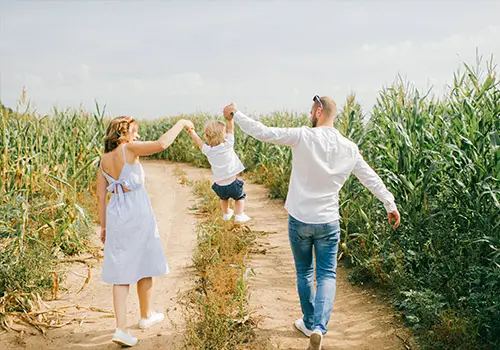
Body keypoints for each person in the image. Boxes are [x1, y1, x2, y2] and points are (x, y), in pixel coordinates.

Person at [223, 97, 400, 350]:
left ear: (319, 111)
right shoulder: (349, 148)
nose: (309, 115)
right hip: (328, 221)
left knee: (304, 272)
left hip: (300, 219)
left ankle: (308, 322)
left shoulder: (302, 136)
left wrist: (235, 115)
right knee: (327, 274)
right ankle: (318, 327)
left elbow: (263, 133)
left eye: (311, 111)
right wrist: (389, 204)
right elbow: (369, 177)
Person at [97, 116, 194, 347]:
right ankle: (145, 316)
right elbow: (162, 144)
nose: (137, 136)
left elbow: (101, 196)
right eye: (134, 131)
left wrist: (103, 226)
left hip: (116, 215)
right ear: (123, 132)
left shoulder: (103, 160)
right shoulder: (128, 148)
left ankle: (123, 327)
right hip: (136, 213)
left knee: (121, 270)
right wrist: (181, 123)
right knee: (145, 260)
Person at [186, 117, 250, 223]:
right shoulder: (228, 145)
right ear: (222, 134)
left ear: (207, 136)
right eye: (225, 132)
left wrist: (190, 130)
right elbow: (231, 129)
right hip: (233, 183)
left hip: (219, 187)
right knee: (240, 197)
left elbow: (197, 140)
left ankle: (226, 213)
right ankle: (238, 215)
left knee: (223, 198)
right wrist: (230, 118)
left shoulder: (208, 150)